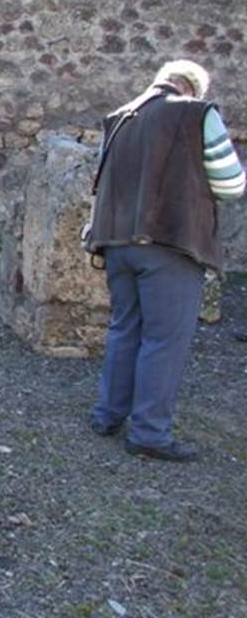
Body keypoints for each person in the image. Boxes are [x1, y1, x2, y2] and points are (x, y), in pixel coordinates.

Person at [85, 59, 245, 462]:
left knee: (125, 328)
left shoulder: (119, 118)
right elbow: (231, 184)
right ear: (192, 88)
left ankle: (108, 414)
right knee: (164, 340)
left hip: (116, 241)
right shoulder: (196, 114)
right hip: (170, 241)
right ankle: (150, 432)